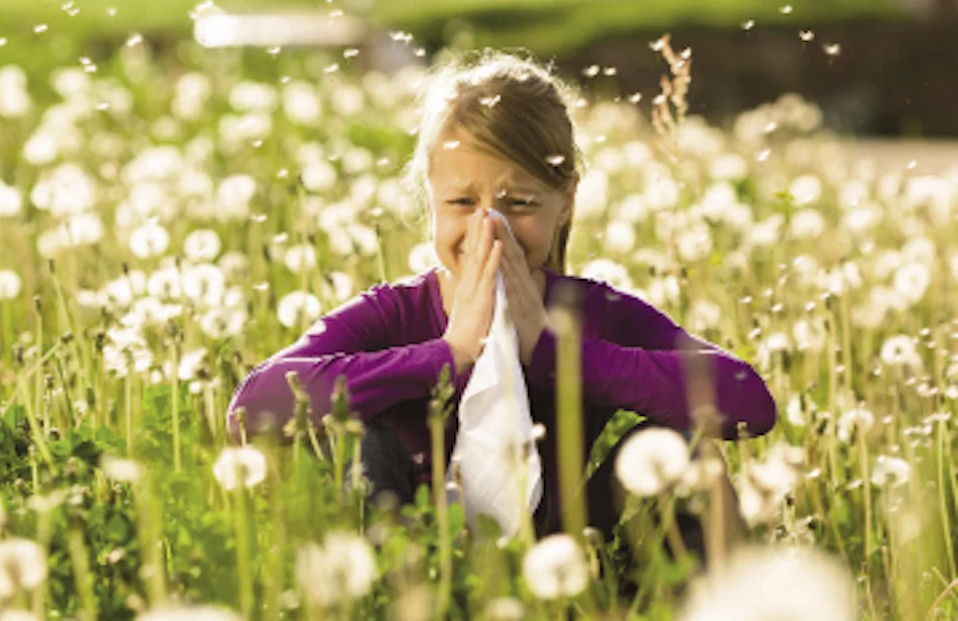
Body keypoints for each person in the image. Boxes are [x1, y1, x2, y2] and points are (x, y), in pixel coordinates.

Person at [227, 50, 776, 563]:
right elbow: (252, 409)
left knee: (686, 452)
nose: (490, 228)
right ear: (430, 198)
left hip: (567, 561)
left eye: (520, 203)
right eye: (462, 203)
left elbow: (748, 402)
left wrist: (559, 355)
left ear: (566, 204)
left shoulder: (593, 312)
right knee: (359, 444)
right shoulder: (394, 314)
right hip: (414, 559)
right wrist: (448, 354)